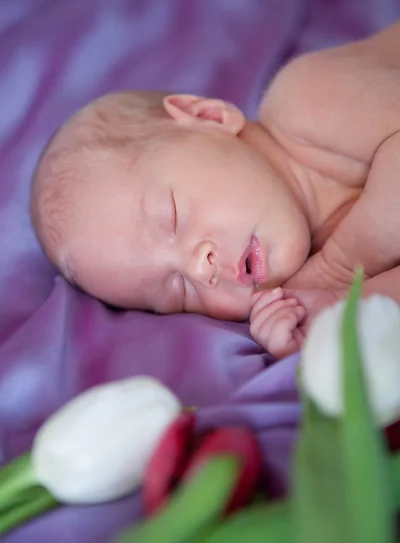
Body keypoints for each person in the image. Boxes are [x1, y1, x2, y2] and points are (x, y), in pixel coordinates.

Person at [30, 20, 400, 358]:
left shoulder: (305, 104)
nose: (199, 269)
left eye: (173, 217)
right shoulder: (300, 261)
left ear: (207, 117)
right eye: (179, 292)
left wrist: (339, 268)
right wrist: (331, 314)